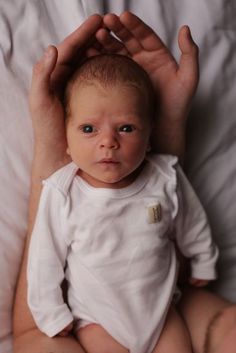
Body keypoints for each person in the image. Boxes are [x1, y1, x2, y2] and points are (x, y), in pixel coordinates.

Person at [13, 11, 236, 353]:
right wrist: (50, 313)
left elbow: (191, 220)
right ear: (67, 140)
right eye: (89, 129)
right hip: (97, 320)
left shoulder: (164, 174)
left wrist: (202, 258)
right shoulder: (63, 191)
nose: (108, 142)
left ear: (149, 137)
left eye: (126, 128)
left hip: (162, 314)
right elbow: (45, 258)